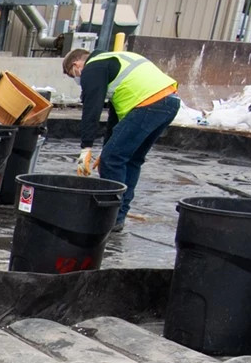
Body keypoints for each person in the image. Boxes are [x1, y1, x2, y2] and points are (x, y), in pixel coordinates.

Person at [64, 47, 180, 231]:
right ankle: (118, 218)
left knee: (112, 160)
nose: (78, 79)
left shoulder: (93, 66)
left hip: (148, 104)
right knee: (131, 160)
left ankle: (109, 216)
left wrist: (86, 147)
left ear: (77, 64)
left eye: (74, 74)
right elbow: (115, 118)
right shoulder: (113, 60)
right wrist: (107, 147)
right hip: (169, 103)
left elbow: (91, 109)